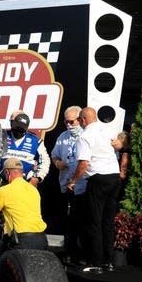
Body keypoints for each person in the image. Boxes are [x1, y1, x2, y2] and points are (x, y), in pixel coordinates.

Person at [66, 107, 121, 274]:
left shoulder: (85, 136)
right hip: (114, 177)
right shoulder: (108, 129)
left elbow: (83, 163)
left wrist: (73, 181)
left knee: (95, 222)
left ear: (83, 120)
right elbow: (118, 144)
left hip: (98, 180)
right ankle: (109, 261)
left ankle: (96, 262)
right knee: (108, 221)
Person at [0, 158, 47, 249]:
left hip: (21, 240)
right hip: (42, 238)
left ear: (7, 172)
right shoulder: (34, 190)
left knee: (2, 259)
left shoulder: (4, 190)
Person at [51, 106, 87, 263]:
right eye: (66, 122)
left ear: (80, 120)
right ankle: (70, 252)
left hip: (84, 185)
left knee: (84, 220)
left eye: (71, 122)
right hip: (67, 185)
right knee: (69, 220)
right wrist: (58, 163)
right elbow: (54, 155)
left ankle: (84, 253)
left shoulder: (88, 135)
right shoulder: (63, 137)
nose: (68, 125)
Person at [2, 110, 50, 186]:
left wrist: (36, 177)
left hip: (26, 182)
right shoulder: (1, 136)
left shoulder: (36, 141)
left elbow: (45, 161)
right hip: (3, 182)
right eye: (12, 121)